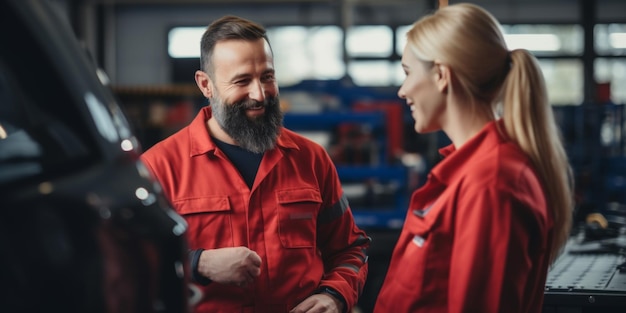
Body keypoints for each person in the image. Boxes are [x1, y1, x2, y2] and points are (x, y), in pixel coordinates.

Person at [140, 15, 370, 313]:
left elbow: (350, 250)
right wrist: (198, 263)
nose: (259, 94)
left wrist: (334, 295)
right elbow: (131, 264)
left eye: (267, 77)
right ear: (206, 85)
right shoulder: (160, 167)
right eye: (242, 81)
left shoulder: (311, 159)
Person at [373, 3, 573, 313]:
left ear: (441, 75)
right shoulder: (469, 172)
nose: (402, 91)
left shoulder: (491, 183)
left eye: (408, 73)